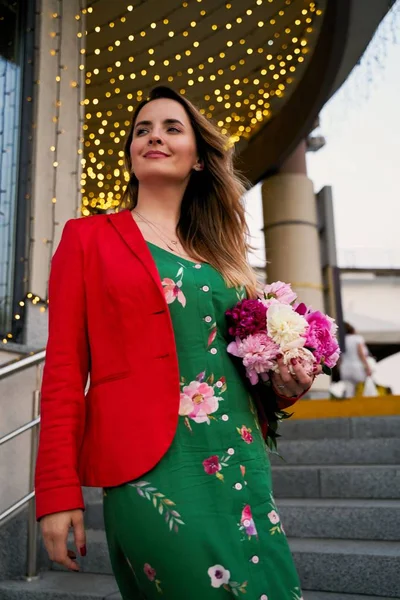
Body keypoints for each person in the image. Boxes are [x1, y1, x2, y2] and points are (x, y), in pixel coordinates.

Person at [35, 86, 321, 600]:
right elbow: (62, 371)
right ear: (131, 154)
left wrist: (286, 385)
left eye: (171, 128)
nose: (154, 137)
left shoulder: (224, 256)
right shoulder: (88, 237)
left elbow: (240, 369)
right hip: (152, 469)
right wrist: (57, 492)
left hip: (238, 456)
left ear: (198, 159)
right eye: (142, 130)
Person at [339, 322, 372, 397]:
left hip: (345, 368)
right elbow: (361, 354)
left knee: (349, 392)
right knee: (360, 391)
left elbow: (339, 356)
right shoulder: (357, 338)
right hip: (357, 367)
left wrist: (339, 366)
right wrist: (367, 367)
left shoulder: (341, 340)